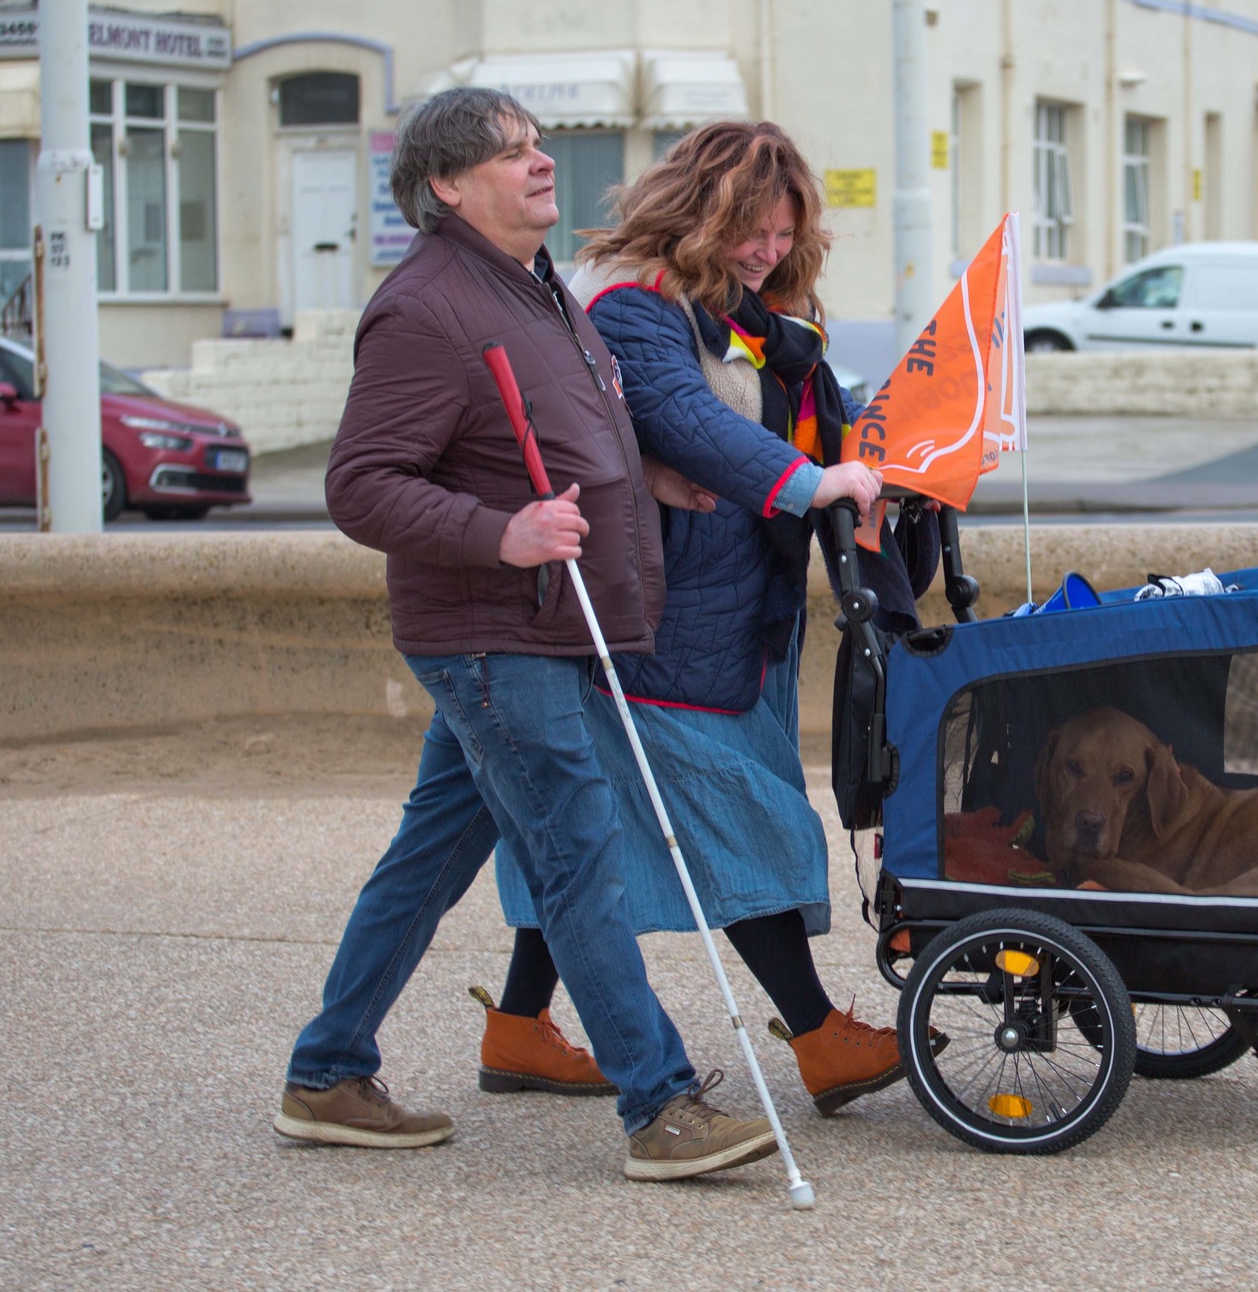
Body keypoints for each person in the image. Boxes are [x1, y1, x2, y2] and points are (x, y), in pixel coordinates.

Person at [274, 87, 848, 1182]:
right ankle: (661, 1103)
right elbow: (361, 486)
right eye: (510, 153)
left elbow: (577, 435)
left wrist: (653, 478)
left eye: (538, 145)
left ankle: (326, 1070)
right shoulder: (427, 306)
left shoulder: (533, 289)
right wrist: (502, 531)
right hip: (496, 630)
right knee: (580, 855)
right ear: (446, 185)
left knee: (428, 858)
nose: (540, 164)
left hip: (543, 623)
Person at [476, 120, 928, 1118]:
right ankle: (819, 1038)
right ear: (696, 211)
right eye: (749, 230)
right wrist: (816, 482)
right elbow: (693, 423)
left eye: (782, 232)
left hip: (731, 616)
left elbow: (808, 405)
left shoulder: (753, 312)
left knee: (595, 831)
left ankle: (515, 1028)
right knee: (732, 818)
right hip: (660, 627)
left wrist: (895, 442)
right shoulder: (640, 309)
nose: (767, 250)